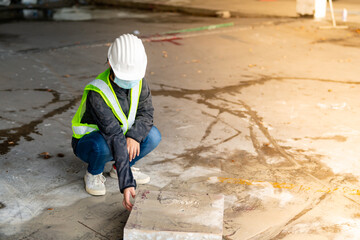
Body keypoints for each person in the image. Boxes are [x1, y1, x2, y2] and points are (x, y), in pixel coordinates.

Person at [71, 34, 161, 211]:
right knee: (102, 147)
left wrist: (134, 136)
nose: (130, 81)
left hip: (119, 138)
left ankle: (117, 167)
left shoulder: (140, 81)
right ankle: (93, 173)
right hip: (90, 143)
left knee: (153, 136)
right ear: (110, 64)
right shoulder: (97, 92)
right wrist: (127, 183)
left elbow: (146, 113)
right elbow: (113, 135)